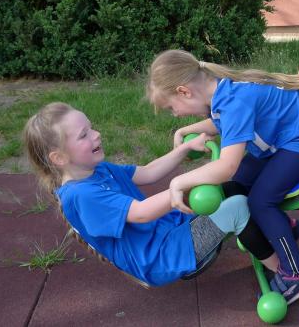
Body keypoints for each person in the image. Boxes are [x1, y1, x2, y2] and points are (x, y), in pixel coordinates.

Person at [147, 49, 299, 305]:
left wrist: (178, 182)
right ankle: (288, 229)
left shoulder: (233, 102)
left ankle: (297, 274)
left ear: (184, 91)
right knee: (235, 185)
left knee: (260, 202)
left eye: (171, 107)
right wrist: (185, 130)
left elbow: (226, 166)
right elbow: (221, 122)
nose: (175, 113)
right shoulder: (221, 92)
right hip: (287, 136)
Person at [23, 102, 281, 287]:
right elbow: (141, 213)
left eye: (91, 128)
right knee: (237, 207)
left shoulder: (96, 170)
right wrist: (181, 185)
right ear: (59, 158)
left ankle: (279, 233)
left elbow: (147, 172)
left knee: (231, 188)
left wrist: (184, 149)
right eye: (84, 135)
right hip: (163, 257)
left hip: (171, 231)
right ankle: (286, 274)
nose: (96, 134)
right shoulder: (82, 196)